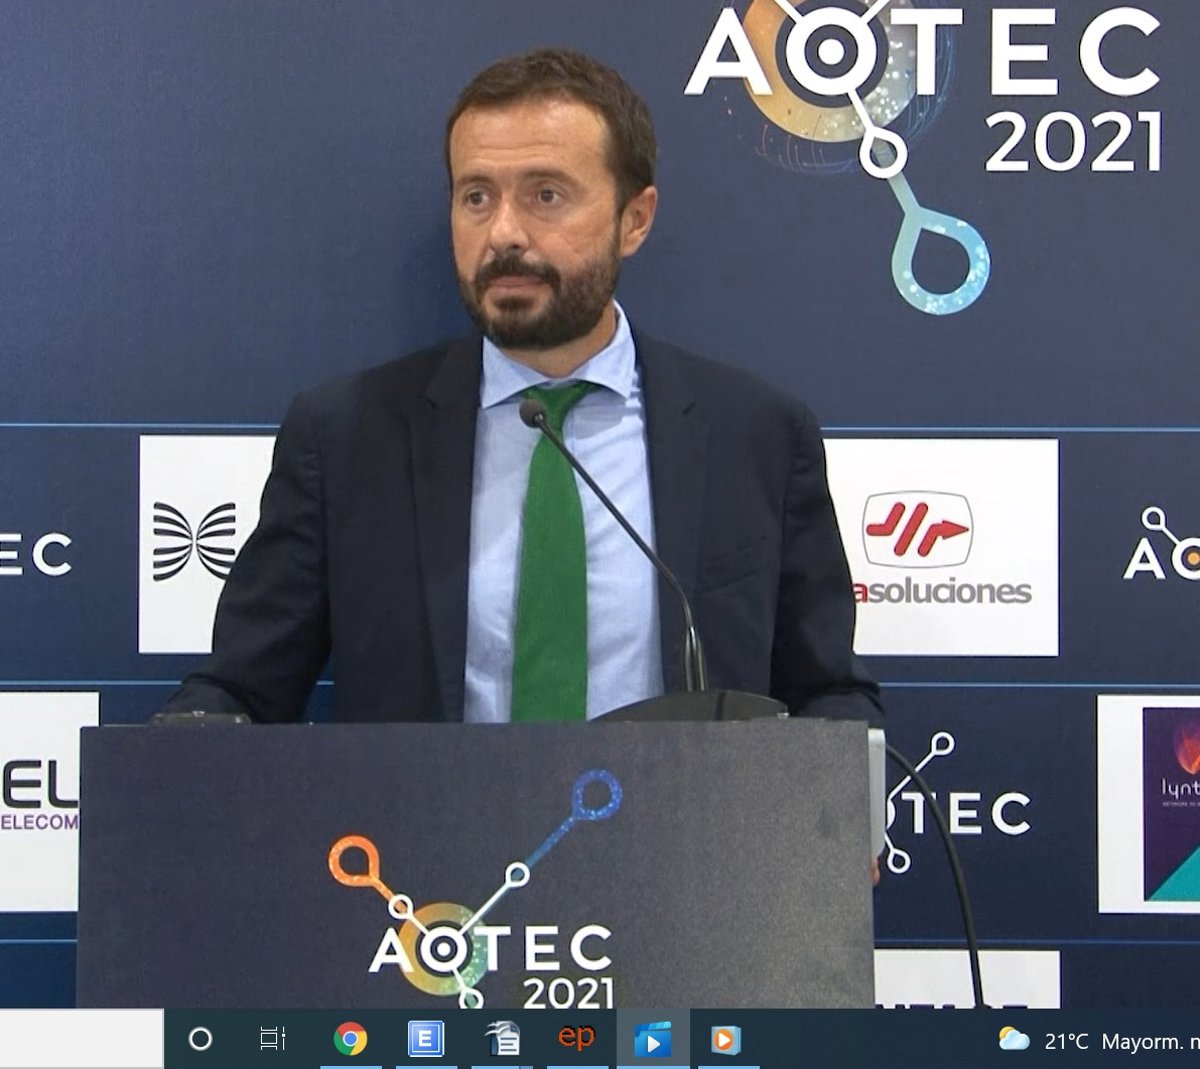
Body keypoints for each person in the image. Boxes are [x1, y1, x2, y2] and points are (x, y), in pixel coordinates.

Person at [161, 47, 882, 728]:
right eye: (476, 196)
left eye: (546, 195)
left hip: (685, 820)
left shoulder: (755, 434)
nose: (504, 232)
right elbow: (242, 689)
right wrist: (185, 747)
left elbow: (826, 692)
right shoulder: (346, 436)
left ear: (634, 220)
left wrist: (839, 785)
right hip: (421, 824)